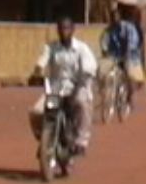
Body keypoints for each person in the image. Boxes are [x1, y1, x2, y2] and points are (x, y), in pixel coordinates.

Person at [30, 16, 98, 156]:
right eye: (61, 28)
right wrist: (37, 71)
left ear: (73, 30)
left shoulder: (81, 49)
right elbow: (42, 61)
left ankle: (81, 141)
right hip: (56, 88)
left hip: (77, 86)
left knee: (82, 105)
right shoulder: (51, 47)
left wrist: (86, 74)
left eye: (67, 28)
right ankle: (45, 138)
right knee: (37, 111)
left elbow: (90, 66)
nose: (63, 31)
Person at [100, 6, 146, 107]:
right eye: (112, 17)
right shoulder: (108, 30)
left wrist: (127, 53)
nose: (114, 19)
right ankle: (105, 93)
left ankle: (130, 95)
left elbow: (132, 43)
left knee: (131, 75)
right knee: (102, 71)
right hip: (114, 56)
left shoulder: (129, 28)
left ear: (120, 17)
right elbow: (104, 41)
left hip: (130, 56)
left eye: (116, 17)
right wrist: (104, 50)